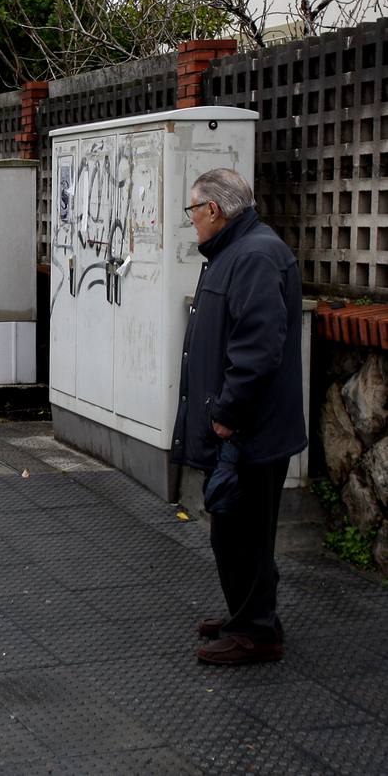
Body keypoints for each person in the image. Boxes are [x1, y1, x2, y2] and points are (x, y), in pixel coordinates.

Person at [172, 167, 305, 666]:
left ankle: (256, 633)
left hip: (251, 430)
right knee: (237, 530)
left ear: (214, 210)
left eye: (193, 210)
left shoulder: (252, 256)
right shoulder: (238, 251)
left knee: (240, 531)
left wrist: (227, 414)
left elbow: (258, 348)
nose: (192, 221)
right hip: (245, 428)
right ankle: (251, 616)